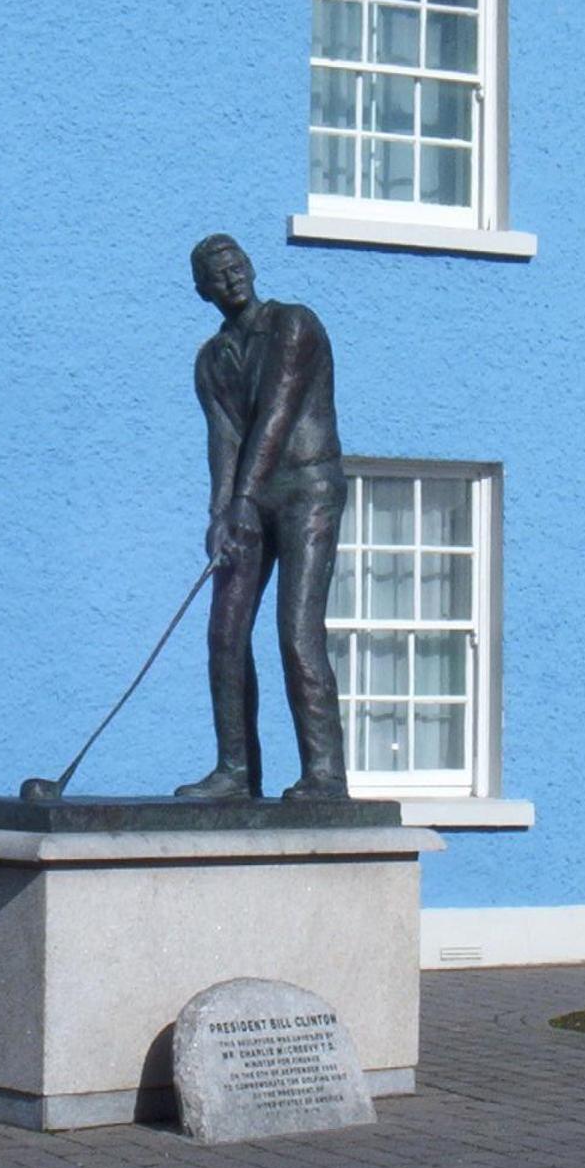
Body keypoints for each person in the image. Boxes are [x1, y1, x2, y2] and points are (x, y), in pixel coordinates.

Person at [175, 234, 349, 801]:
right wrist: (222, 513)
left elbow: (277, 409)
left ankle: (325, 773)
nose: (231, 278)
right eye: (217, 274)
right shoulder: (210, 359)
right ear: (202, 290)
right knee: (224, 631)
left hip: (307, 488)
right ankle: (235, 769)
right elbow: (223, 438)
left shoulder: (294, 324)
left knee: (296, 630)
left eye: (237, 265)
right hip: (252, 497)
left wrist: (243, 498)